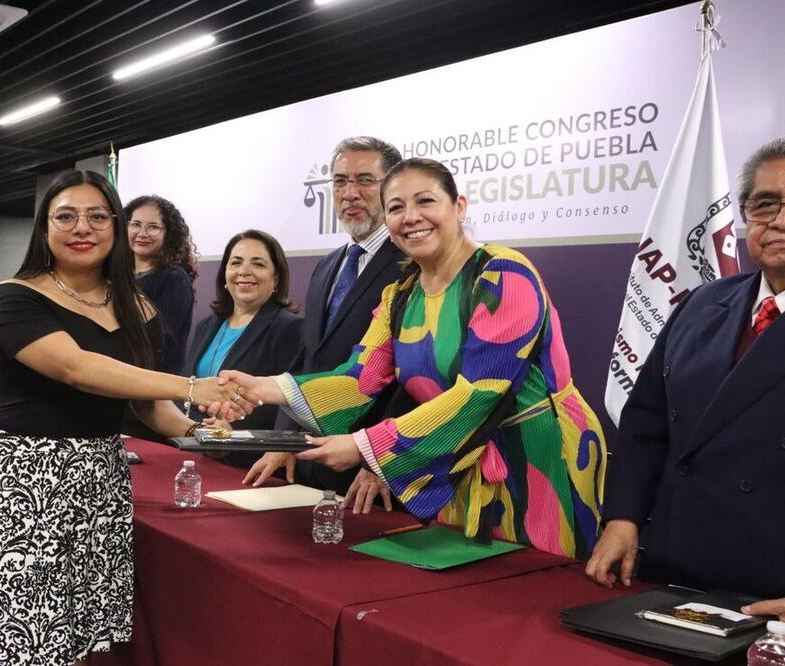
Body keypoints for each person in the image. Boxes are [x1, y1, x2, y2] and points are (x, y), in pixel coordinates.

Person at [0, 170, 256, 665]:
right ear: (45, 228)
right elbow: (77, 368)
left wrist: (203, 425)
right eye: (67, 216)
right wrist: (192, 386)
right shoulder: (15, 296)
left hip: (97, 482)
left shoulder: (139, 306)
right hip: (20, 481)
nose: (83, 227)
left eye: (98, 216)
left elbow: (148, 405)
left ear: (116, 228)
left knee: (73, 635)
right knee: (20, 635)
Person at [229, 158, 607, 559]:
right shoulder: (399, 296)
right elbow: (359, 380)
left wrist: (363, 446)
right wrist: (267, 388)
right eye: (395, 208)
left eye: (425, 201)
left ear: (458, 207)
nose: (411, 218)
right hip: (453, 457)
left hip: (540, 457)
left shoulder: (503, 275)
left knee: (532, 589)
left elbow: (480, 394)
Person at [586, 138, 785, 601]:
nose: (778, 221)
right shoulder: (701, 302)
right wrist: (623, 517)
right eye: (764, 205)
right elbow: (646, 424)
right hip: (675, 567)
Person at [263, 136, 407, 496]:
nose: (349, 193)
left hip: (369, 473)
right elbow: (307, 360)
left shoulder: (412, 264)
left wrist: (381, 460)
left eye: (364, 180)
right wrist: (285, 438)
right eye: (341, 181)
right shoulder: (327, 266)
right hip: (310, 461)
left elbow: (414, 379)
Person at [183, 230, 303, 468]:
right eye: (236, 262)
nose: (244, 271)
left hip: (251, 461)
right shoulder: (207, 326)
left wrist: (232, 434)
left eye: (257, 264)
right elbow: (188, 390)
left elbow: (290, 406)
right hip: (198, 453)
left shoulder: (290, 328)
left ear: (276, 278)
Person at [125, 194, 197, 374]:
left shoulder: (173, 279)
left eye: (153, 227)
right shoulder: (116, 274)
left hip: (152, 385)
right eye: (135, 224)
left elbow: (161, 344)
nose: (142, 233)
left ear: (168, 234)